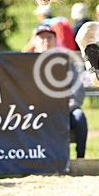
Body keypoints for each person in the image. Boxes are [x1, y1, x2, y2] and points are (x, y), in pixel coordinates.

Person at [30, 23, 89, 160]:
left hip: (64, 109)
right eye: (42, 37)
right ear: (34, 41)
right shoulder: (25, 63)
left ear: (55, 40)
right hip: (33, 111)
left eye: (49, 37)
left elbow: (77, 90)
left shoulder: (65, 62)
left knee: (79, 117)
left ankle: (80, 158)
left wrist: (65, 108)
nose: (46, 40)